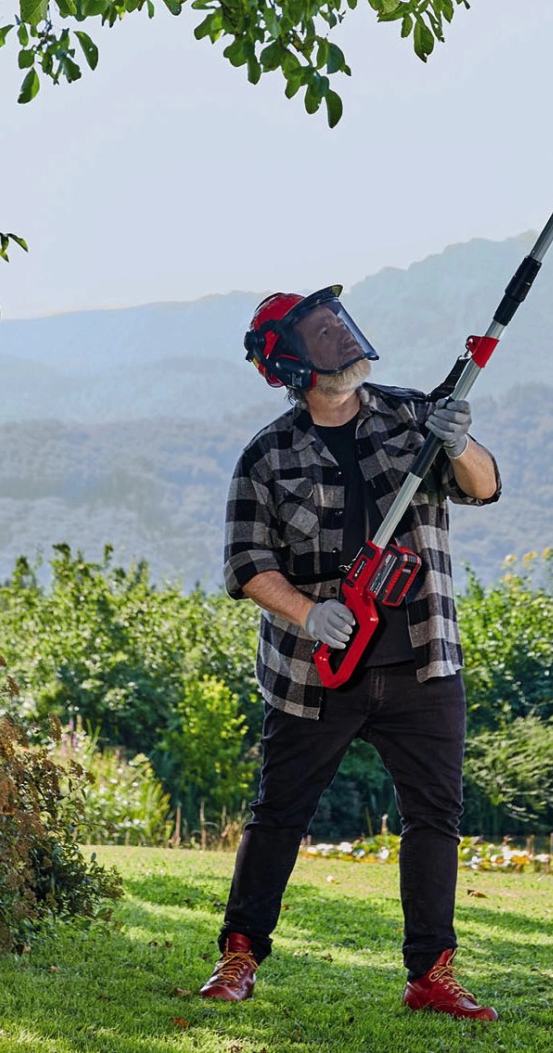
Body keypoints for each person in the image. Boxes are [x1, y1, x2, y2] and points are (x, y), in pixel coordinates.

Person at [198, 285, 502, 1020]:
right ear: (290, 365)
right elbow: (245, 565)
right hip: (315, 674)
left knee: (435, 817)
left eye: (337, 323)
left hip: (423, 660)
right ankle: (239, 957)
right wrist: (310, 613)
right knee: (279, 814)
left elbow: (485, 488)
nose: (338, 338)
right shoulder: (266, 455)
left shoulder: (413, 416)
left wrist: (459, 444)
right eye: (319, 332)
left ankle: (431, 974)